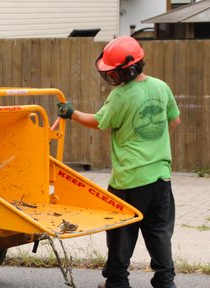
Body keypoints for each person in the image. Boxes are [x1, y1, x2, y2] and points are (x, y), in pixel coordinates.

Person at [56, 36, 181, 288]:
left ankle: (117, 281)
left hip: (129, 178)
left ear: (130, 69)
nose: (111, 78)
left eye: (114, 73)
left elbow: (98, 122)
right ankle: (165, 280)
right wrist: (153, 146)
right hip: (161, 176)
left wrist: (70, 113)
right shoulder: (161, 87)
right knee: (158, 230)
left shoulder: (121, 95)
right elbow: (174, 120)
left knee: (121, 231)